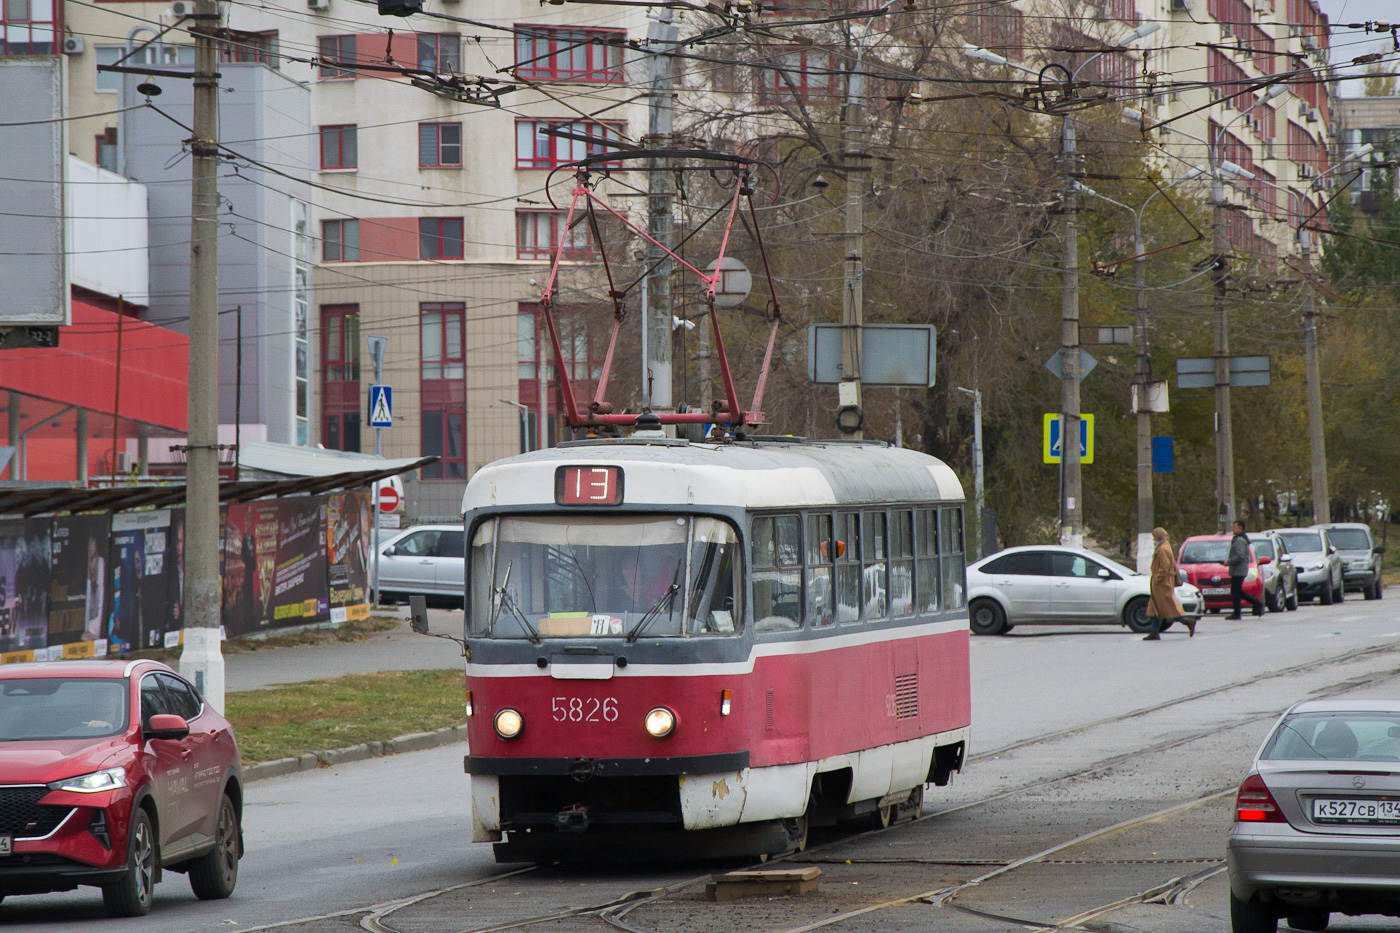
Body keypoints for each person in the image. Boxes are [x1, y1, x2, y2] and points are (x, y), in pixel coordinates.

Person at [1144, 527, 1194, 641]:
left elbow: (1164, 568)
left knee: (1170, 607)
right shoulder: (1164, 547)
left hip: (1162, 584)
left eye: (1154, 537)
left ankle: (1188, 622)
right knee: (1153, 608)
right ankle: (1154, 632)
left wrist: (1157, 579)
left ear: (1159, 536)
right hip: (1160, 584)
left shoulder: (1163, 549)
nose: (1153, 540)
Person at [1228, 519, 1265, 620]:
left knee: (1236, 591)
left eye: (1234, 527)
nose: (1233, 529)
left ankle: (1240, 611)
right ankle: (1252, 605)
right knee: (1237, 591)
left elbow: (1240, 555)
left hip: (1238, 570)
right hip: (1239, 569)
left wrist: (1229, 561)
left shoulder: (1240, 540)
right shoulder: (1240, 539)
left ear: (1240, 528)